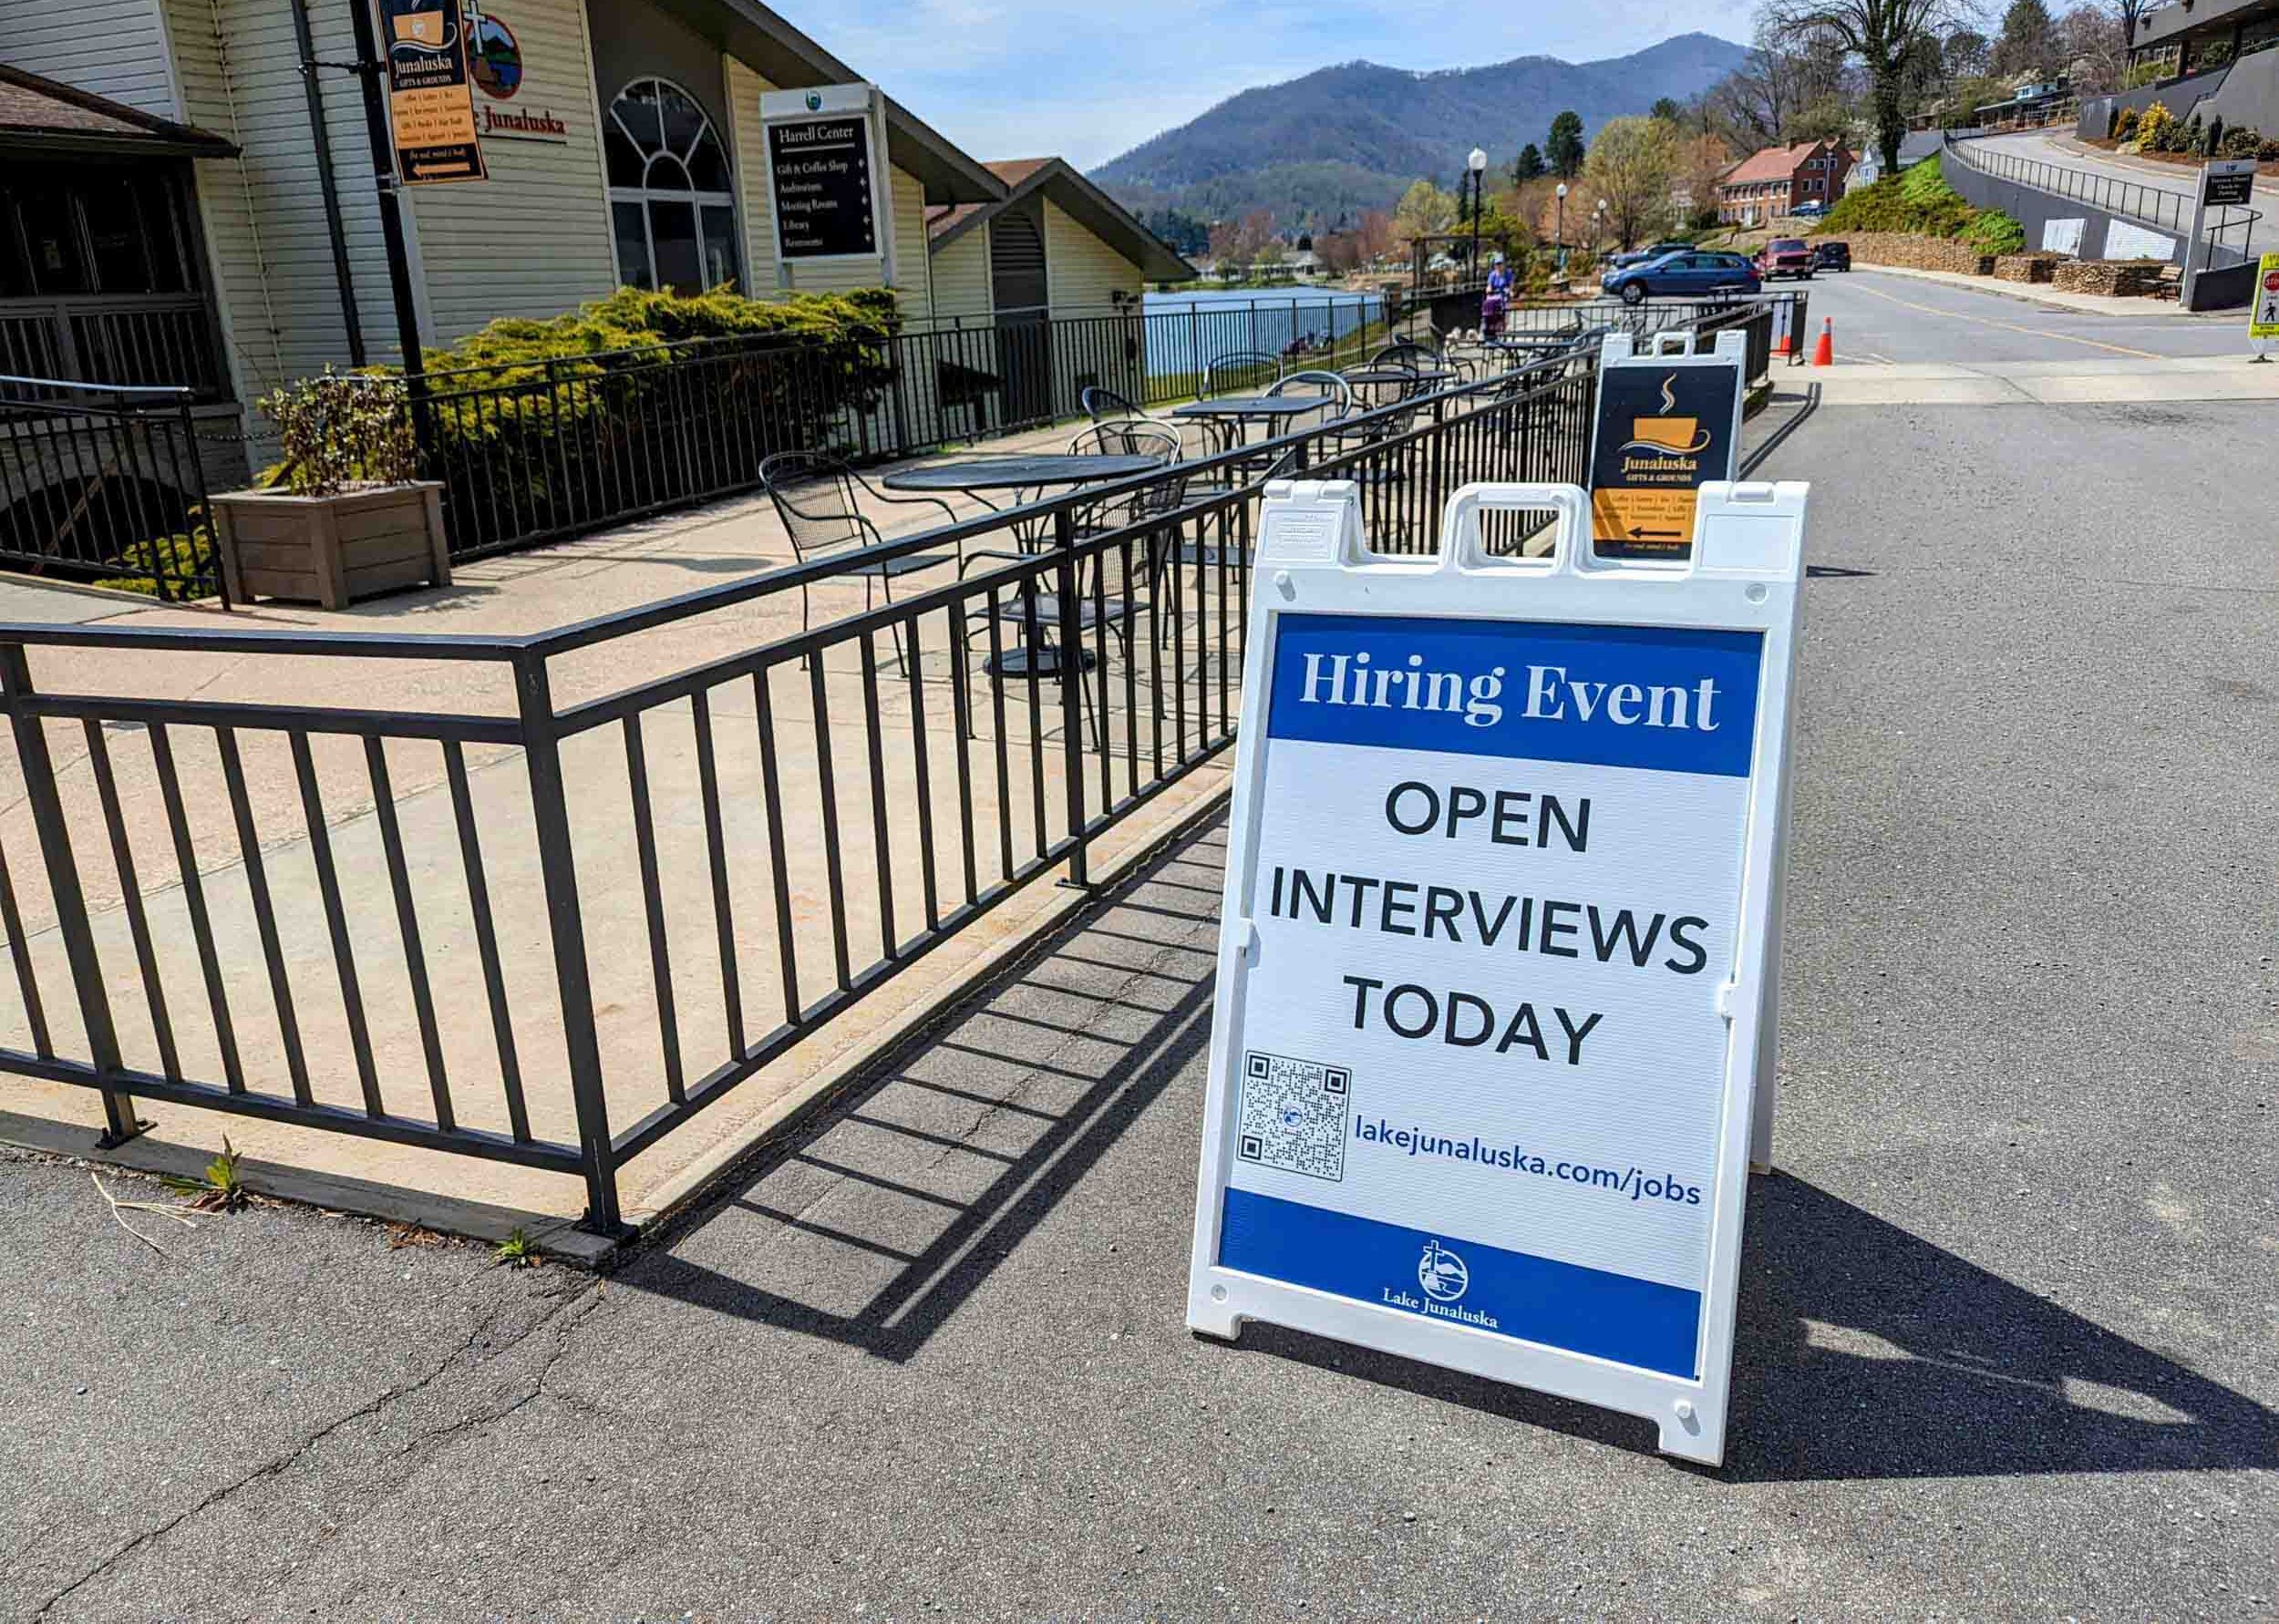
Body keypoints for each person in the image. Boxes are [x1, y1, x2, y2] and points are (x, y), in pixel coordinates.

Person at [1481, 253, 1512, 340]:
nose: (1498, 266)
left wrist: (1509, 290)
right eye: (1497, 264)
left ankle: (1504, 330)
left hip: (1504, 296)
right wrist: (1489, 289)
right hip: (1495, 296)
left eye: (1500, 264)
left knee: (1505, 310)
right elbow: (1489, 286)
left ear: (1503, 264)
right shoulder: (1492, 274)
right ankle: (1489, 328)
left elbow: (1511, 285)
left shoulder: (1508, 273)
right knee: (1488, 304)